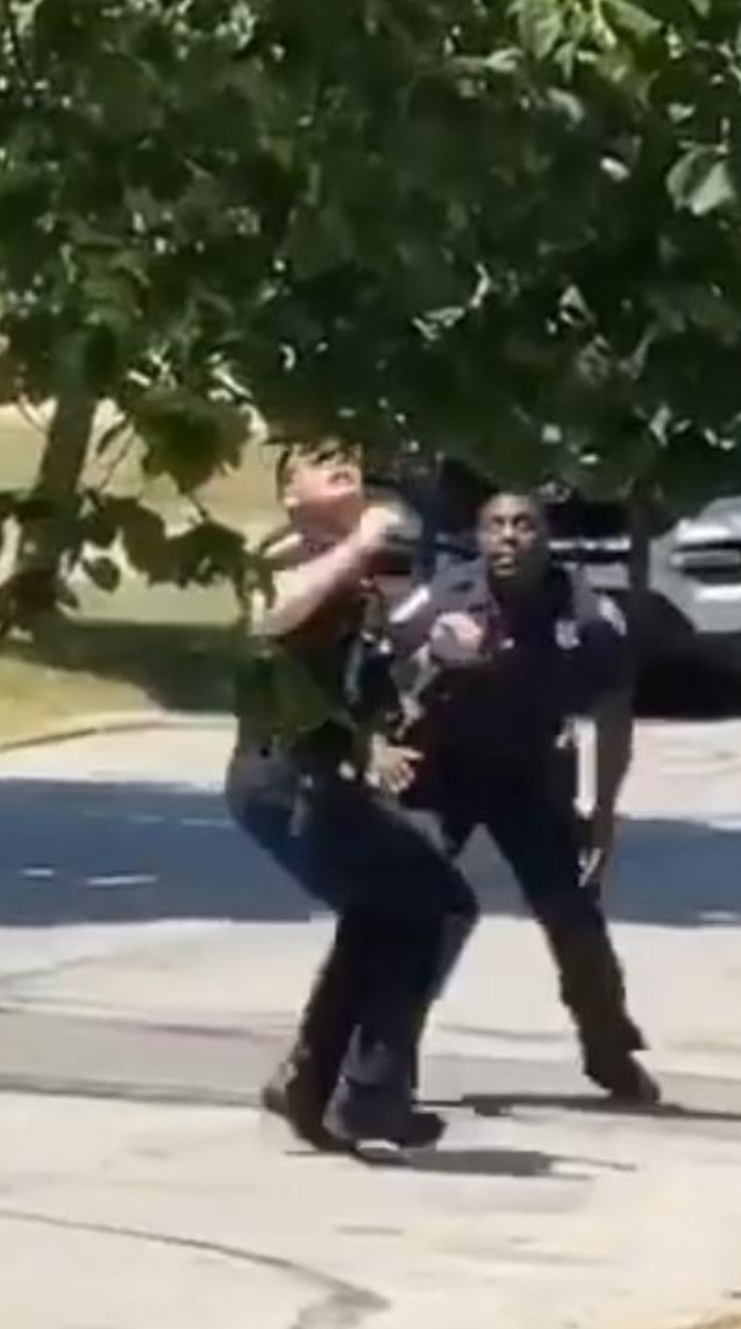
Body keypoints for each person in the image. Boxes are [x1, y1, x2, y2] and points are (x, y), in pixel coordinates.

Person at [228, 447, 478, 1151]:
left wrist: (439, 649)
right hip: (282, 777)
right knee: (434, 904)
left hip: (324, 778)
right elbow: (267, 615)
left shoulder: (362, 572)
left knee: (389, 911)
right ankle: (366, 1095)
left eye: (349, 459)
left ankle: (313, 1082)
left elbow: (371, 682)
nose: (344, 467)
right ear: (288, 492)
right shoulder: (274, 556)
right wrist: (362, 544)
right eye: (320, 461)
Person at [394, 490, 659, 1105]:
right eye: (495, 525)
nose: (509, 537)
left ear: (548, 538)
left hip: (529, 776)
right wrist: (425, 665)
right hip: (443, 771)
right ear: (479, 537)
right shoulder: (446, 595)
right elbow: (382, 662)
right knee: (415, 910)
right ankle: (384, 1052)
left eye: (524, 525)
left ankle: (608, 1046)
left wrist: (604, 815)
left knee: (573, 914)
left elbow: (614, 715)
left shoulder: (588, 614)